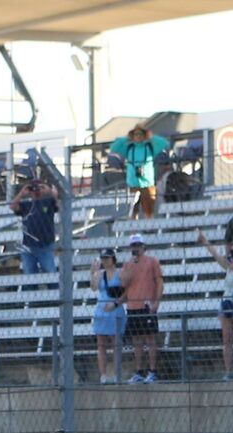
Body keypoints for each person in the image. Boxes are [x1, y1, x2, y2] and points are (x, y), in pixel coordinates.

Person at [195, 228, 233, 381]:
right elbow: (216, 255)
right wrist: (205, 241)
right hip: (227, 302)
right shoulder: (229, 265)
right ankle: (228, 372)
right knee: (227, 340)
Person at [119, 233, 164, 383]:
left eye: (138, 246)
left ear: (143, 247)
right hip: (133, 306)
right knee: (136, 340)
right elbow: (123, 283)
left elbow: (159, 282)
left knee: (150, 338)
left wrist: (156, 302)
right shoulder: (128, 265)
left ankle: (152, 370)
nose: (136, 249)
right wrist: (131, 266)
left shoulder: (152, 262)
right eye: (133, 246)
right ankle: (139, 371)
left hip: (147, 305)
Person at [108, 124, 172, 217]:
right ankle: (134, 224)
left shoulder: (150, 147)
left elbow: (165, 144)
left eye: (141, 134)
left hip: (147, 184)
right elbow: (114, 147)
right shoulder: (129, 148)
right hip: (132, 183)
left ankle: (149, 224)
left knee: (149, 210)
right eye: (136, 134)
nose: (138, 136)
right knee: (132, 211)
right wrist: (126, 138)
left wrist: (151, 137)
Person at [89, 247, 126, 383]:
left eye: (107, 258)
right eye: (103, 258)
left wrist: (116, 303)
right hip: (102, 309)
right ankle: (103, 375)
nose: (105, 261)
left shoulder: (120, 273)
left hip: (115, 309)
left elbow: (126, 292)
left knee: (116, 343)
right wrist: (93, 273)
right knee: (101, 344)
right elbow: (93, 287)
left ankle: (117, 374)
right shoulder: (100, 274)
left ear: (113, 259)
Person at [11, 178, 58, 275]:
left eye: (39, 188)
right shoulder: (26, 205)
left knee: (50, 272)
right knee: (29, 274)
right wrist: (21, 194)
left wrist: (49, 190)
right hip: (28, 245)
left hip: (45, 244)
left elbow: (59, 204)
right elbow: (13, 207)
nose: (36, 190)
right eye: (34, 188)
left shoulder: (48, 201)